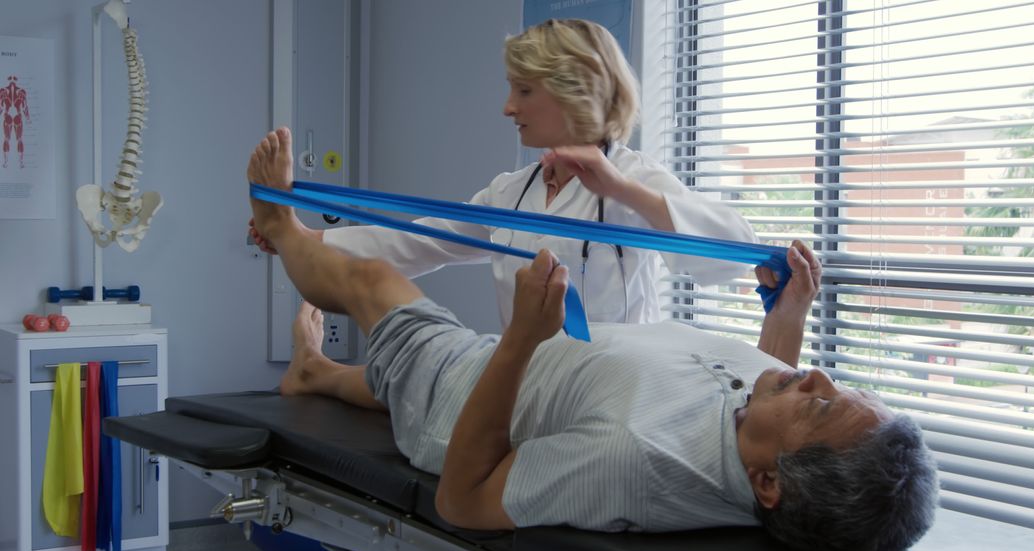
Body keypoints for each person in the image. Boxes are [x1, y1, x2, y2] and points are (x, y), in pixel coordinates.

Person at [247, 127, 939, 551]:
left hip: (460, 398)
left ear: (767, 483)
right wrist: (786, 317)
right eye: (843, 386)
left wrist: (521, 339)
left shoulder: (633, 462)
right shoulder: (760, 426)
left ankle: (279, 227)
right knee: (381, 378)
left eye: (821, 406)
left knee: (372, 283)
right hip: (521, 371)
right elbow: (767, 403)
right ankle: (314, 372)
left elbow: (463, 499)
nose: (817, 375)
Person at [249, 18, 756, 328]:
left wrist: (619, 188)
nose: (508, 108)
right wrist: (306, 238)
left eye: (524, 90)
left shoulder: (636, 181)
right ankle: (313, 364)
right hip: (525, 385)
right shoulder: (511, 192)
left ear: (574, 89)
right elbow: (413, 242)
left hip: (614, 391)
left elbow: (733, 254)